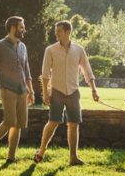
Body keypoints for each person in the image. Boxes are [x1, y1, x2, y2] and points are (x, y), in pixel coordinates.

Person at [34, 20, 99, 166]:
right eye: (55, 31)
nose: (56, 34)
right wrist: (45, 93)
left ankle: (73, 157)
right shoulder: (50, 50)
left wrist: (94, 89)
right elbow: (45, 74)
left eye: (59, 31)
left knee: (74, 124)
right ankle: (41, 151)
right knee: (53, 122)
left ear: (68, 32)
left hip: (73, 92)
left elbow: (87, 70)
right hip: (56, 91)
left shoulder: (79, 50)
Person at [0, 15, 34, 163]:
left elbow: (27, 70)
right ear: (13, 28)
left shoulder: (23, 47)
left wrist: (31, 90)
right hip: (6, 88)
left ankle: (11, 157)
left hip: (22, 89)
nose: (24, 29)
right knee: (10, 121)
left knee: (19, 124)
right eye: (21, 27)